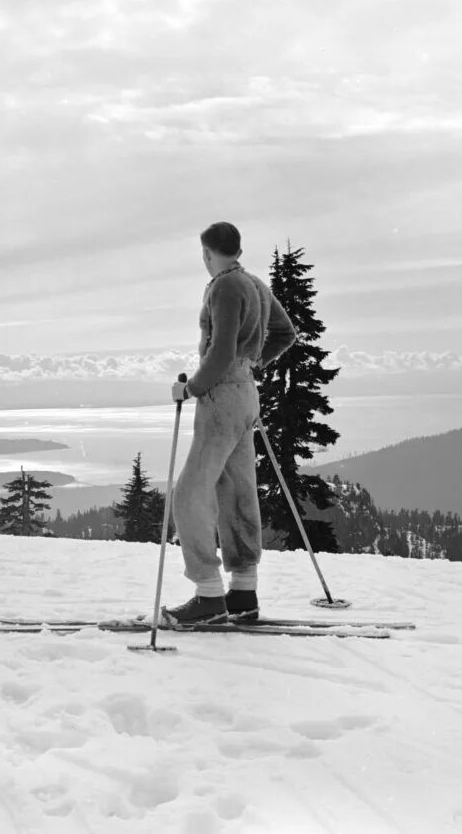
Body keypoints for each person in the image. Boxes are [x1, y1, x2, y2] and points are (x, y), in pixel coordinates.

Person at [165, 222, 297, 624]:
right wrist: (251, 363)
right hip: (246, 395)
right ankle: (243, 592)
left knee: (190, 491)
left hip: (222, 395)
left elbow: (220, 350)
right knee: (237, 488)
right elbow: (285, 334)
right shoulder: (255, 284)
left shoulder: (223, 286)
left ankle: (208, 596)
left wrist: (191, 389)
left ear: (207, 253)